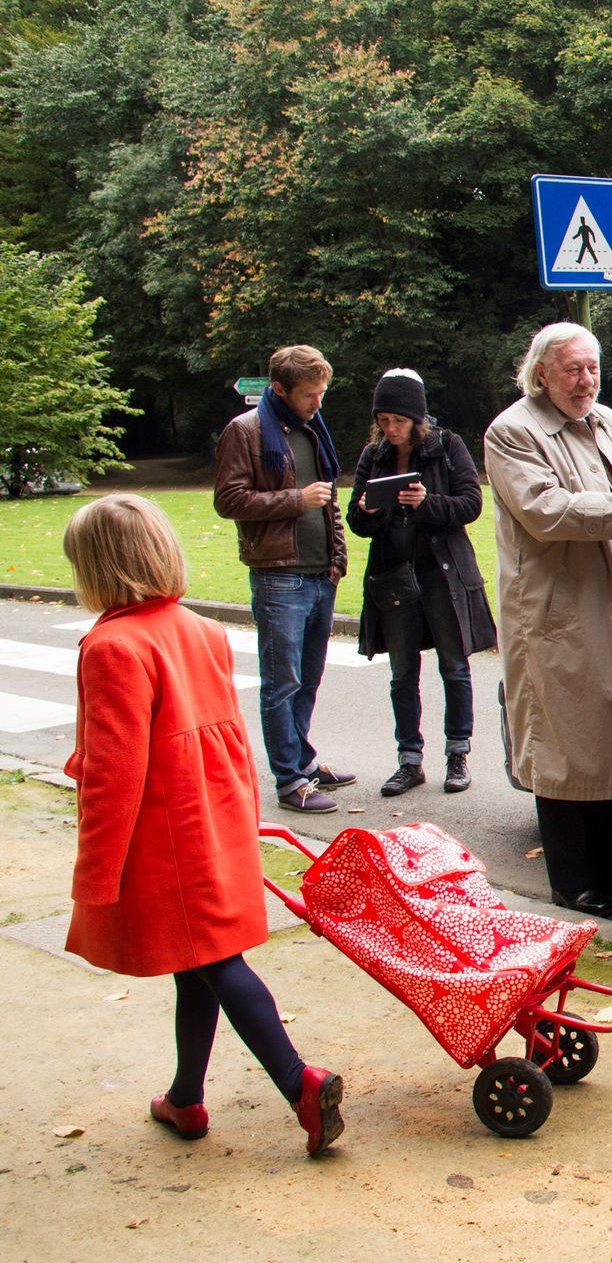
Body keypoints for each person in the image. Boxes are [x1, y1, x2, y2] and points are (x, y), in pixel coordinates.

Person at [61, 495, 344, 1155]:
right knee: (197, 965)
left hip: (166, 831)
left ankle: (300, 1080)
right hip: (213, 817)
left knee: (215, 959)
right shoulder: (198, 628)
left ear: (99, 568)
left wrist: (95, 871)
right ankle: (185, 1098)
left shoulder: (112, 646)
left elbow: (114, 770)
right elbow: (227, 739)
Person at [486, 323, 612, 919]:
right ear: (541, 373)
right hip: (555, 613)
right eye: (572, 370)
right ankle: (572, 880)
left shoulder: (607, 421)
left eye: (592, 368)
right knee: (564, 747)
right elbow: (546, 510)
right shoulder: (512, 431)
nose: (585, 380)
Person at [212, 343, 357, 814]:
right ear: (278, 389)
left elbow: (328, 497)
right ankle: (289, 781)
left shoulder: (311, 427)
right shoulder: (246, 431)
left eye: (322, 393)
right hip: (279, 576)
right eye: (309, 394)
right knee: (282, 682)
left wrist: (337, 557)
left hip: (319, 573)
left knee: (308, 678)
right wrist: (295, 499)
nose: (319, 403)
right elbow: (229, 500)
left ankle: (304, 762)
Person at [346, 369, 497, 798]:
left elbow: (471, 503)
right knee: (401, 672)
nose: (390, 429)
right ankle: (409, 760)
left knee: (453, 663)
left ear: (416, 417)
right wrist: (369, 511)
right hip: (393, 574)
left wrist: (426, 503)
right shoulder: (372, 455)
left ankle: (457, 754)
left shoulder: (447, 447)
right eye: (384, 421)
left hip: (440, 572)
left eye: (398, 420)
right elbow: (355, 521)